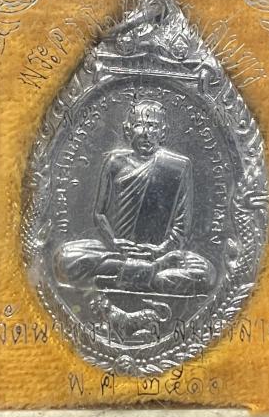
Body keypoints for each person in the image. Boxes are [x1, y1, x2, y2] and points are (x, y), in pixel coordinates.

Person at [54, 99, 215, 294]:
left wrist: (161, 251)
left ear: (163, 133)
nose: (147, 133)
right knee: (65, 258)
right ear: (127, 130)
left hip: (161, 256)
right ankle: (149, 276)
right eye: (140, 125)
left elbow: (181, 226)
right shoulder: (114, 162)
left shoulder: (177, 166)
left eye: (153, 126)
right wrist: (114, 242)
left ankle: (120, 276)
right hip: (117, 252)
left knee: (206, 274)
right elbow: (99, 213)